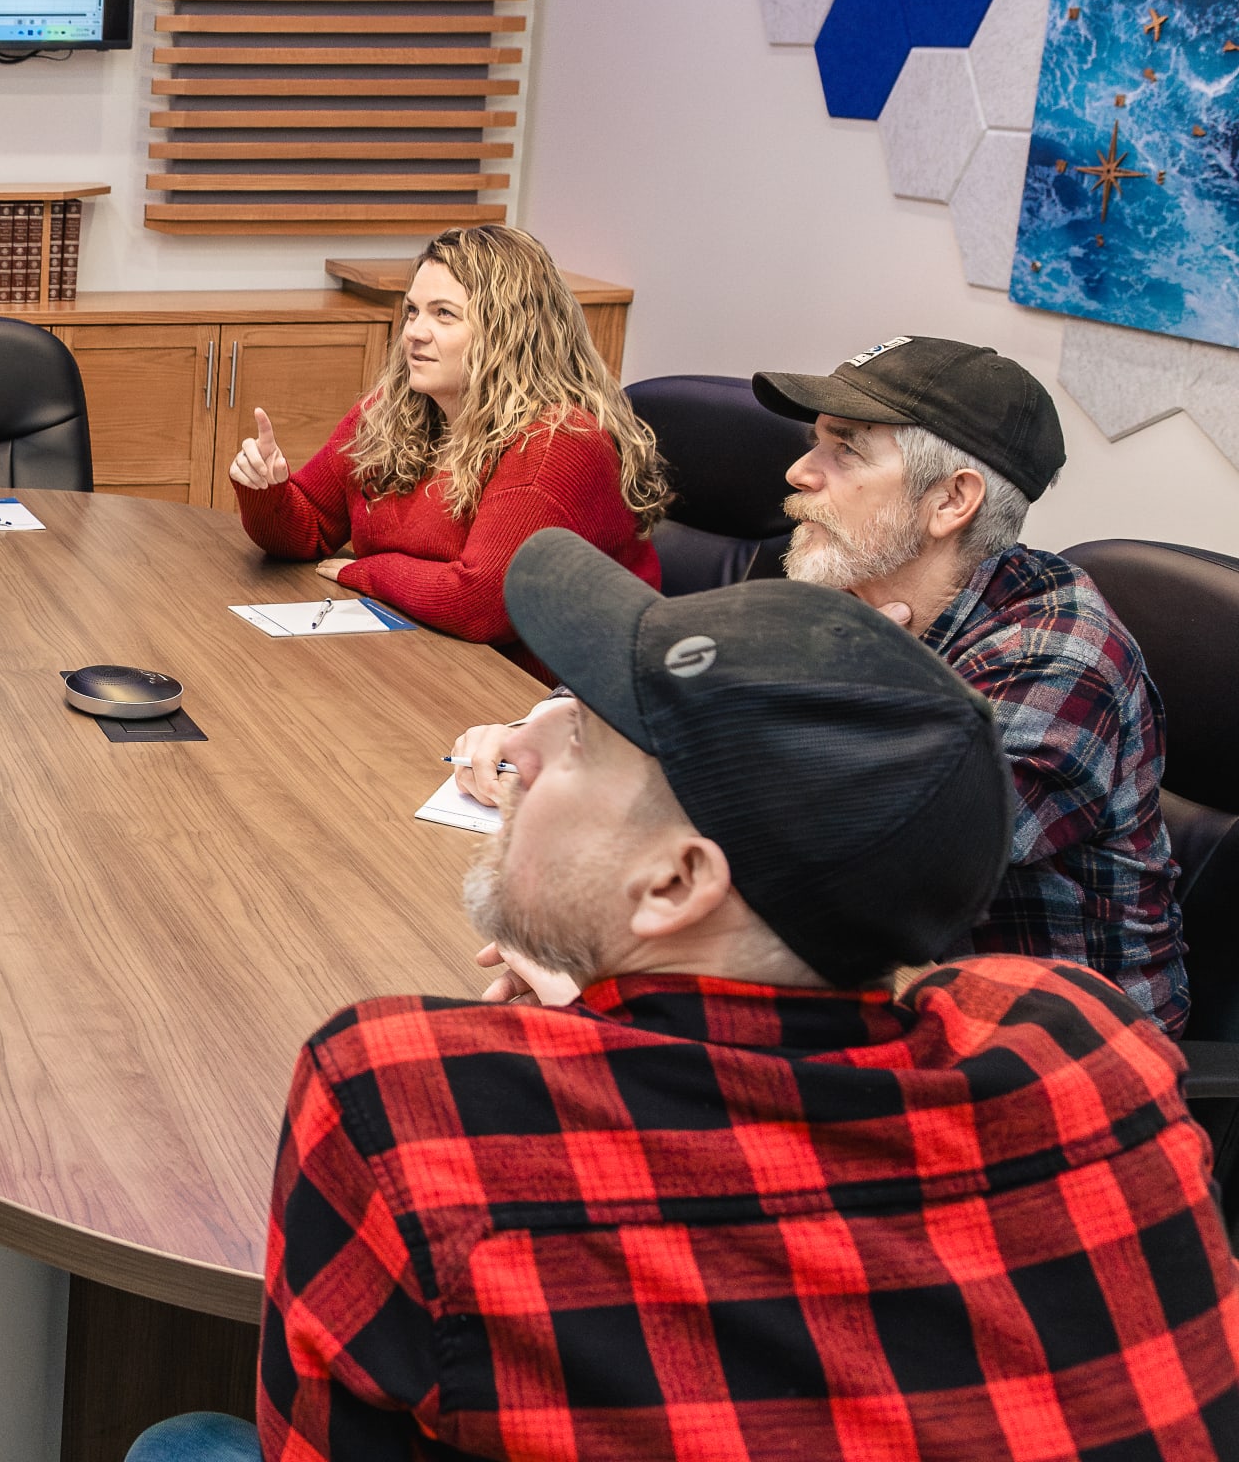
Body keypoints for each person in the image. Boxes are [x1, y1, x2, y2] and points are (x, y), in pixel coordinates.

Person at [131, 530, 1239, 1462]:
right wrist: (632, 989)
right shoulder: (1091, 1047)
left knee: (183, 1438)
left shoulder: (405, 1099)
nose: (516, 745)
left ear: (677, 879)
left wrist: (593, 1022)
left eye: (578, 744)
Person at [752, 333, 1183, 1032]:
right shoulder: (833, 575)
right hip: (884, 985)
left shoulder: (1059, 656)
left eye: (847, 449)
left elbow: (875, 862)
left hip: (1058, 1057)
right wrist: (556, 725)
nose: (802, 471)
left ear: (952, 501)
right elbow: (667, 664)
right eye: (815, 442)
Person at [227, 226, 668, 655]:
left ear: (509, 331)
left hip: (552, 693)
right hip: (429, 649)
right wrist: (267, 491)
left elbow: (478, 604)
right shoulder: (393, 408)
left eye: (444, 314)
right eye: (413, 311)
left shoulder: (556, 441)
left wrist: (368, 571)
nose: (415, 333)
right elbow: (310, 530)